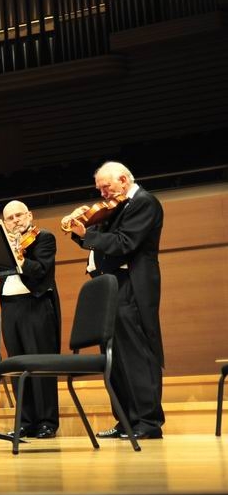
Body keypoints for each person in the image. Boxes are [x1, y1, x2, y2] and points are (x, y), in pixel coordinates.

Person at [67, 161, 164, 438]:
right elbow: (98, 239)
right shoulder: (116, 206)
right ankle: (126, 420)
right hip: (111, 286)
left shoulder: (144, 202)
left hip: (130, 285)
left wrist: (87, 234)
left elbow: (124, 243)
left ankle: (148, 422)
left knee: (136, 353)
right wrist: (83, 227)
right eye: (99, 188)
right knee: (114, 356)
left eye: (105, 187)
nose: (102, 194)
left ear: (123, 179)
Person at [0, 200, 60, 438]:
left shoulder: (44, 238)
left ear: (30, 215)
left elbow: (41, 270)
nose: (15, 220)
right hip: (10, 307)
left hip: (35, 305)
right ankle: (25, 421)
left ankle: (47, 421)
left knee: (40, 364)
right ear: (4, 223)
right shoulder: (3, 244)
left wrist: (20, 258)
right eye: (10, 218)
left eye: (19, 215)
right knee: (18, 365)